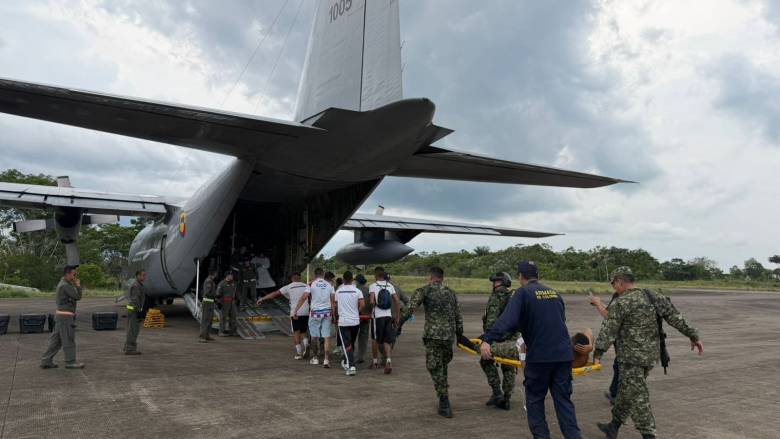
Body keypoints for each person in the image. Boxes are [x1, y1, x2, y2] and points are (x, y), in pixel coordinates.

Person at [593, 267, 703, 439]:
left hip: (630, 358)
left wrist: (598, 354)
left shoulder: (622, 302)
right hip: (651, 356)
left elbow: (609, 330)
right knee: (626, 392)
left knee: (638, 397)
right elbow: (674, 316)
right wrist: (693, 335)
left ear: (621, 282)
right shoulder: (651, 296)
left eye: (614, 283)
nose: (614, 287)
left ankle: (649, 435)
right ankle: (613, 427)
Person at [480, 261, 581, 439]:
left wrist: (487, 339)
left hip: (540, 358)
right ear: (538, 276)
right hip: (564, 356)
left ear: (520, 277)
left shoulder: (523, 293)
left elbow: (506, 321)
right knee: (564, 403)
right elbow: (558, 321)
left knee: (535, 401)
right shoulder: (554, 293)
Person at [400, 266, 463, 418]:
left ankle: (444, 400)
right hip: (448, 337)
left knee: (434, 366)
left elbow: (410, 308)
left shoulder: (424, 290)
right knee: (442, 366)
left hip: (433, 336)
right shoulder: (450, 293)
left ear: (430, 277)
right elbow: (458, 315)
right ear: (442, 277)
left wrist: (398, 324)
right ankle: (444, 394)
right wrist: (460, 335)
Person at [480, 271, 517, 410]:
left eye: (495, 282)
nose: (493, 284)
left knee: (485, 360)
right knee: (508, 367)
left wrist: (487, 338)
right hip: (512, 338)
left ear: (499, 282)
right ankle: (506, 399)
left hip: (497, 338)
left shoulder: (497, 296)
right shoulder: (512, 297)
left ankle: (497, 392)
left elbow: (491, 320)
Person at [40, 265, 84, 369]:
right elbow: (77, 296)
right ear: (67, 274)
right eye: (74, 274)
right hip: (65, 317)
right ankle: (70, 362)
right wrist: (78, 285)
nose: (75, 276)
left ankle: (46, 361)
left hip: (61, 316)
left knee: (56, 340)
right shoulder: (65, 285)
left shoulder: (64, 283)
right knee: (68, 338)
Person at [258, 272, 311, 359]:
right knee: (304, 331)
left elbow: (274, 294)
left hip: (295, 312)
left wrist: (262, 299)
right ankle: (306, 343)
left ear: (291, 279)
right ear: (300, 278)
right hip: (306, 311)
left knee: (296, 332)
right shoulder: (306, 286)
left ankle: (299, 353)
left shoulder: (288, 287)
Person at [295, 268, 335, 368]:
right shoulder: (330, 285)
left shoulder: (311, 284)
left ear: (315, 274)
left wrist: (295, 310)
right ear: (323, 274)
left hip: (315, 313)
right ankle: (326, 360)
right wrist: (333, 314)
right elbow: (332, 301)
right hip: (327, 313)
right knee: (326, 336)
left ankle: (315, 358)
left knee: (314, 336)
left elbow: (304, 297)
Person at [590, 290, 621, 405]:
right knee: (618, 366)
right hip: (627, 343)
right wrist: (599, 303)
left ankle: (617, 396)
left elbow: (609, 316)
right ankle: (614, 393)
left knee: (621, 367)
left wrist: (598, 304)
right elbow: (610, 311)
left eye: (614, 283)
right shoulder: (624, 295)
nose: (613, 286)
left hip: (626, 344)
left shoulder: (621, 297)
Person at [369, 267, 400, 374]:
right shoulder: (390, 286)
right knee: (387, 340)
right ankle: (388, 360)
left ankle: (375, 361)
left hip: (377, 316)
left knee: (375, 339)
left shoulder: (373, 286)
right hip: (388, 315)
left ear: (376, 276)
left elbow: (372, 301)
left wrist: (373, 305)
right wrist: (397, 316)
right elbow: (397, 301)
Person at [334, 271, 365, 376]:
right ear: (352, 279)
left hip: (343, 321)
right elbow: (362, 305)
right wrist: (357, 311)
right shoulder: (357, 291)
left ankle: (351, 366)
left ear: (343, 279)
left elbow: (335, 306)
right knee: (351, 343)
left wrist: (336, 316)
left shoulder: (338, 291)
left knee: (347, 344)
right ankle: (347, 360)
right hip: (355, 321)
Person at [124, 270, 147, 355]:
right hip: (134, 310)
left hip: (133, 310)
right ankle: (130, 349)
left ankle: (128, 347)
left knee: (133, 329)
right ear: (137, 275)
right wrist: (138, 311)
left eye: (145, 275)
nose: (144, 277)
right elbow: (135, 300)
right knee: (133, 330)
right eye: (143, 275)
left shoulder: (138, 284)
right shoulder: (136, 285)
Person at [354, 274, 371, 364]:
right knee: (363, 337)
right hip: (366, 316)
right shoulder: (368, 290)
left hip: (354, 317)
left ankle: (349, 354)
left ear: (356, 281)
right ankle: (361, 356)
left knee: (351, 336)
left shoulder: (354, 290)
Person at [217, 271, 238, 337]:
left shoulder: (234, 283)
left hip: (232, 302)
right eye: (230, 275)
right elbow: (218, 294)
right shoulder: (222, 284)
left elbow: (235, 292)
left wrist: (237, 299)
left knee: (233, 316)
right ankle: (221, 331)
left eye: (232, 275)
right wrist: (219, 303)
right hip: (224, 302)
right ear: (227, 276)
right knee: (223, 317)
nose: (232, 276)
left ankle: (232, 331)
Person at [199, 270, 218, 343]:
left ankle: (207, 335)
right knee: (205, 319)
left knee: (209, 320)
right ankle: (202, 336)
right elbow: (207, 293)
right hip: (207, 302)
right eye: (215, 274)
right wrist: (215, 295)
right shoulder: (208, 281)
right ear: (213, 274)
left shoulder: (211, 281)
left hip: (210, 302)